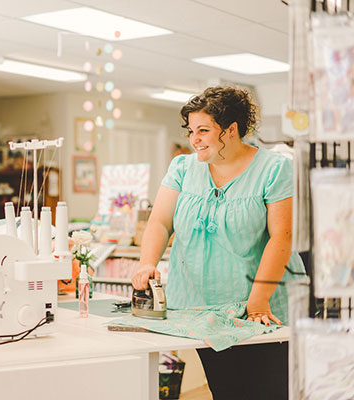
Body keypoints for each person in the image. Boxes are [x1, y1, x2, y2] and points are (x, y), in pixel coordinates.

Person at [131, 86, 305, 400]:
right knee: (225, 390)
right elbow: (160, 222)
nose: (194, 138)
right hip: (201, 308)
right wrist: (147, 263)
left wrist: (258, 303)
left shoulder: (274, 169)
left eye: (203, 130)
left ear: (231, 130)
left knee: (268, 391)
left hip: (260, 307)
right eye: (191, 131)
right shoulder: (183, 168)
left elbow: (282, 236)